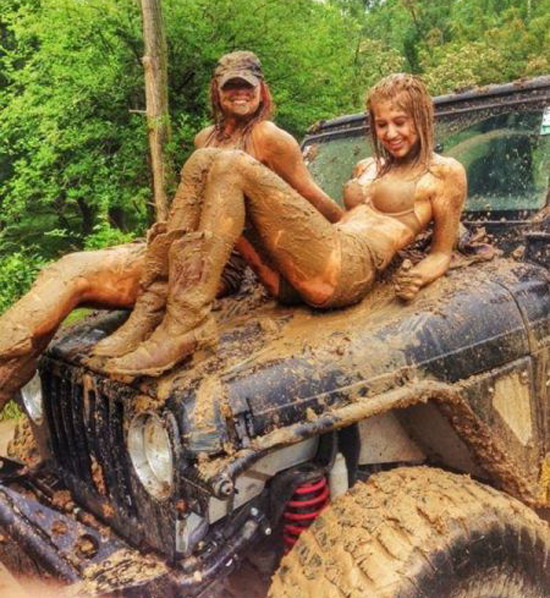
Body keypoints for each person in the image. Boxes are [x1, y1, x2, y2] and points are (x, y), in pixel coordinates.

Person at [0, 50, 342, 411]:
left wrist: (347, 227)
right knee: (70, 269)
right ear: (216, 90)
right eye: (231, 86)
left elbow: (309, 197)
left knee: (78, 277)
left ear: (262, 90)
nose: (240, 93)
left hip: (218, 263)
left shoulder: (269, 137)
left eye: (248, 85)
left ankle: (147, 315)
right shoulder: (204, 139)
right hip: (184, 247)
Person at [105, 72, 466, 377]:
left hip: (347, 271)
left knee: (231, 164)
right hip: (304, 270)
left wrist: (419, 276)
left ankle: (185, 323)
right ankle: (154, 307)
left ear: (422, 118)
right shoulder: (367, 166)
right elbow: (344, 219)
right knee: (203, 160)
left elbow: (441, 253)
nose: (390, 133)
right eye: (381, 124)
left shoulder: (444, 172)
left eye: (400, 122)